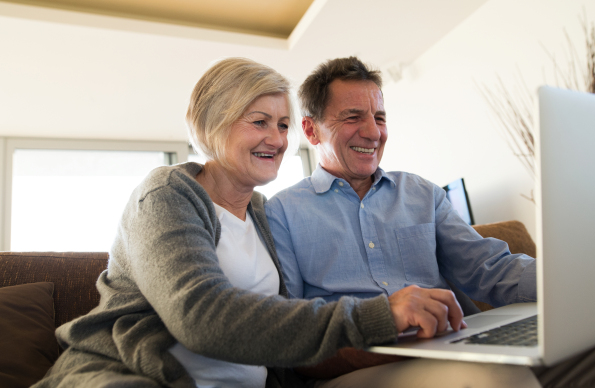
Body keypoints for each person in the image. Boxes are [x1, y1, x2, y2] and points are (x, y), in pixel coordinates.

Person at [32, 57, 471, 388]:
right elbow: (200, 316)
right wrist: (376, 315)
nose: (277, 140)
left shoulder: (264, 212)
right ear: (211, 125)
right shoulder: (166, 193)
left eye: (282, 125)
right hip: (128, 374)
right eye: (258, 122)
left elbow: (281, 322)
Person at [264, 56, 552, 387]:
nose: (373, 132)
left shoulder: (422, 193)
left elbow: (490, 270)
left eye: (380, 117)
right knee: (494, 377)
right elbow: (290, 331)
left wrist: (570, 281)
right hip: (358, 366)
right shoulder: (281, 213)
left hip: (454, 342)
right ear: (312, 131)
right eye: (353, 117)